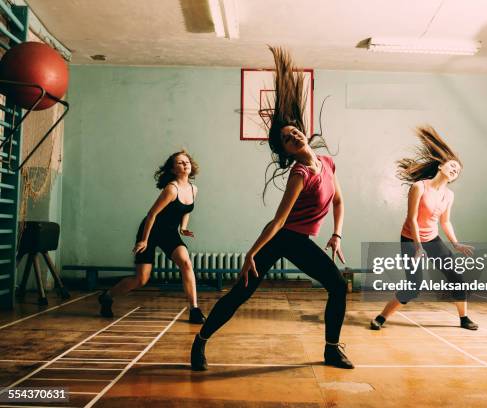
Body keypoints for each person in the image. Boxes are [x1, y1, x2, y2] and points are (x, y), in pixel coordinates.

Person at [190, 47, 353, 371]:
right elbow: (278, 221)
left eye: (294, 132)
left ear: (303, 133)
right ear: (286, 151)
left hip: (300, 239)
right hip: (285, 237)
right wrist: (252, 253)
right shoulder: (300, 173)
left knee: (337, 285)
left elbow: (337, 199)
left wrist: (336, 234)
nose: (293, 136)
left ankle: (331, 350)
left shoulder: (327, 162)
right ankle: (201, 341)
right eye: (287, 139)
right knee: (241, 294)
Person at [370, 126, 478, 331]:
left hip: (433, 239)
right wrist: (418, 247)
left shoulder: (449, 196)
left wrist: (455, 243)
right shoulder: (419, 186)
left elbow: (445, 221)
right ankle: (381, 317)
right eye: (452, 165)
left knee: (457, 277)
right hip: (411, 239)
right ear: (441, 166)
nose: (454, 170)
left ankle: (464, 319)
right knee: (414, 287)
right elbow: (412, 219)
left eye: (457, 171)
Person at [98, 150, 205, 324]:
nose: (185, 164)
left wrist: (183, 228)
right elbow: (151, 215)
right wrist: (144, 240)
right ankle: (107, 296)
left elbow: (186, 210)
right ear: (172, 169)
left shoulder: (194, 189)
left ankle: (194, 309)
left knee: (186, 263)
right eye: (179, 162)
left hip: (169, 233)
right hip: (150, 230)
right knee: (141, 280)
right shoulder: (171, 189)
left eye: (186, 161)